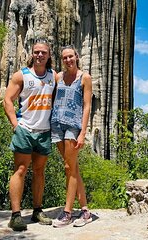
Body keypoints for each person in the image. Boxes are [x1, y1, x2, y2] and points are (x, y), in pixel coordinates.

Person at [3, 40, 56, 231]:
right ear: (32, 54)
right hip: (25, 129)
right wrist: (15, 125)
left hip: (44, 132)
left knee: (39, 172)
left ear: (49, 55)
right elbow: (7, 100)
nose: (40, 55)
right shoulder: (22, 75)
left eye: (44, 52)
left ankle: (37, 210)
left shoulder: (53, 77)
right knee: (20, 170)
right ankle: (15, 215)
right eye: (37, 52)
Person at [51, 45, 93, 228]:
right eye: (65, 58)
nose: (68, 60)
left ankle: (67, 213)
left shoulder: (85, 78)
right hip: (56, 124)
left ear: (76, 57)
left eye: (71, 57)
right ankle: (85, 211)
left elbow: (87, 106)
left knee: (69, 167)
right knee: (72, 167)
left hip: (73, 126)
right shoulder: (58, 77)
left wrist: (83, 132)